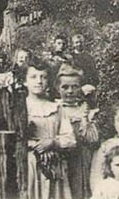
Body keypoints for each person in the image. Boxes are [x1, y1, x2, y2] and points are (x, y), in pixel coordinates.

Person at [25, 59, 75, 199]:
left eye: (43, 77)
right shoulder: (19, 107)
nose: (39, 81)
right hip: (29, 164)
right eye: (33, 77)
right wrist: (35, 145)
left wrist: (52, 143)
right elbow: (13, 138)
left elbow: (70, 139)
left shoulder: (56, 108)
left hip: (54, 164)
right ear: (25, 81)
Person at [56, 65, 99, 199]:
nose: (70, 91)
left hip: (81, 159)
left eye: (75, 87)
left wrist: (85, 118)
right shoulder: (54, 108)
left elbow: (93, 140)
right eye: (65, 87)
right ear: (57, 88)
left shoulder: (86, 110)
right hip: (60, 158)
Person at [70, 34, 99, 106]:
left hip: (88, 88)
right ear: (73, 44)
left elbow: (94, 73)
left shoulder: (89, 57)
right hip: (74, 87)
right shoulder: (70, 57)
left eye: (81, 42)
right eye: (76, 42)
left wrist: (92, 85)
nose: (79, 44)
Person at [0, 52, 14, 130]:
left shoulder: (7, 75)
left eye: (1, 63)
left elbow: (9, 88)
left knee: (5, 116)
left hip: (3, 99)